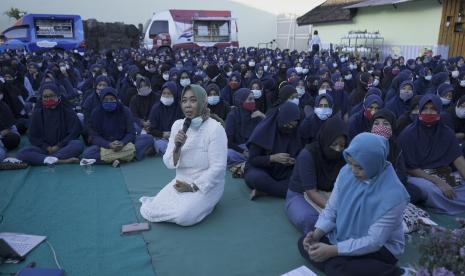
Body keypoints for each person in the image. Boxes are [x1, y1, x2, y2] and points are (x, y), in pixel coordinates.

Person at [298, 133, 409, 276]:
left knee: (336, 268)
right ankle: (343, 265)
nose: (353, 171)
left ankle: (395, 273)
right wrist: (317, 234)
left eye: (360, 167)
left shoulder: (394, 195)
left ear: (373, 163)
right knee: (305, 244)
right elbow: (332, 210)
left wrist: (332, 251)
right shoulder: (346, 173)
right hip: (344, 233)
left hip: (381, 248)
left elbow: (374, 241)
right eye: (350, 163)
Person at [139, 84, 227, 226]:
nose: (188, 105)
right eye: (184, 101)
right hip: (181, 181)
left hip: (207, 185)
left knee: (184, 217)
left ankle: (208, 203)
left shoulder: (215, 128)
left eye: (193, 100)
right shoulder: (178, 125)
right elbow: (169, 163)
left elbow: (218, 168)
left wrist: (193, 186)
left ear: (203, 102)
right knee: (153, 209)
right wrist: (177, 148)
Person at [398, 94, 465, 214]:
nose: (429, 112)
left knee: (460, 183)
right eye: (425, 108)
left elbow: (458, 160)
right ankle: (449, 207)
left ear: (439, 110)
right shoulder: (408, 134)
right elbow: (411, 168)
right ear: (420, 110)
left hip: (442, 171)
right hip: (418, 175)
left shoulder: (447, 133)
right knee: (432, 190)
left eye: (433, 109)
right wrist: (438, 181)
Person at [286, 116, 347, 234]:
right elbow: (311, 191)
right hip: (300, 195)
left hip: (330, 193)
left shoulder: (344, 155)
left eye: (342, 145)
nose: (338, 149)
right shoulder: (308, 155)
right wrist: (335, 211)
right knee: (310, 220)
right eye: (334, 144)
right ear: (326, 139)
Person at [244, 101, 302, 199]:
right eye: (287, 125)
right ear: (281, 119)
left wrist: (293, 160)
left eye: (293, 125)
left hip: (284, 170)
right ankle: (279, 190)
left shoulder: (295, 132)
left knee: (302, 179)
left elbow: (300, 154)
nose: (290, 128)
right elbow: (252, 160)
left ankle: (266, 191)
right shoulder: (263, 130)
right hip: (262, 169)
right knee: (257, 179)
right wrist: (272, 158)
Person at [82, 87, 154, 165]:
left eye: (112, 99)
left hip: (123, 143)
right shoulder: (96, 113)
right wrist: (108, 144)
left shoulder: (125, 111)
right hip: (105, 145)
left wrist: (122, 142)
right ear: (101, 100)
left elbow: (131, 133)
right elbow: (94, 136)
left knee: (148, 138)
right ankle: (127, 157)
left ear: (116, 99)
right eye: (106, 100)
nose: (109, 101)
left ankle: (111, 159)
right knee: (87, 154)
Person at [16, 84, 84, 165]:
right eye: (45, 96)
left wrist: (59, 145)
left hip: (63, 147)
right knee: (21, 153)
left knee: (77, 145)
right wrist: (46, 147)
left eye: (51, 96)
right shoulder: (38, 113)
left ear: (58, 96)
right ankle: (60, 160)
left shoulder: (67, 111)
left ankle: (46, 159)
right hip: (44, 149)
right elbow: (32, 135)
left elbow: (74, 132)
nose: (48, 99)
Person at [371, 109, 426, 204]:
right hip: (371, 185)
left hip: (392, 183)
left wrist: (392, 183)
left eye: (385, 124)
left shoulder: (395, 147)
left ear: (392, 127)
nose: (380, 127)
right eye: (376, 123)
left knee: (416, 193)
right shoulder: (365, 144)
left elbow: (401, 171)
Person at [225, 88, 264, 166]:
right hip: (238, 148)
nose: (253, 101)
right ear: (241, 101)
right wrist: (242, 151)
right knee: (227, 155)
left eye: (253, 99)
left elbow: (267, 134)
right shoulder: (233, 116)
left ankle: (251, 160)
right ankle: (254, 160)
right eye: (249, 99)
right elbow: (228, 142)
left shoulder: (257, 113)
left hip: (255, 147)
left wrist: (263, 116)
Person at [147, 81, 184, 155]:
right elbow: (151, 129)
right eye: (164, 93)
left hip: (179, 138)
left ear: (174, 94)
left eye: (169, 93)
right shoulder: (156, 108)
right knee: (161, 145)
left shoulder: (181, 107)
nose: (166, 96)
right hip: (161, 138)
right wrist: (163, 134)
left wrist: (175, 135)